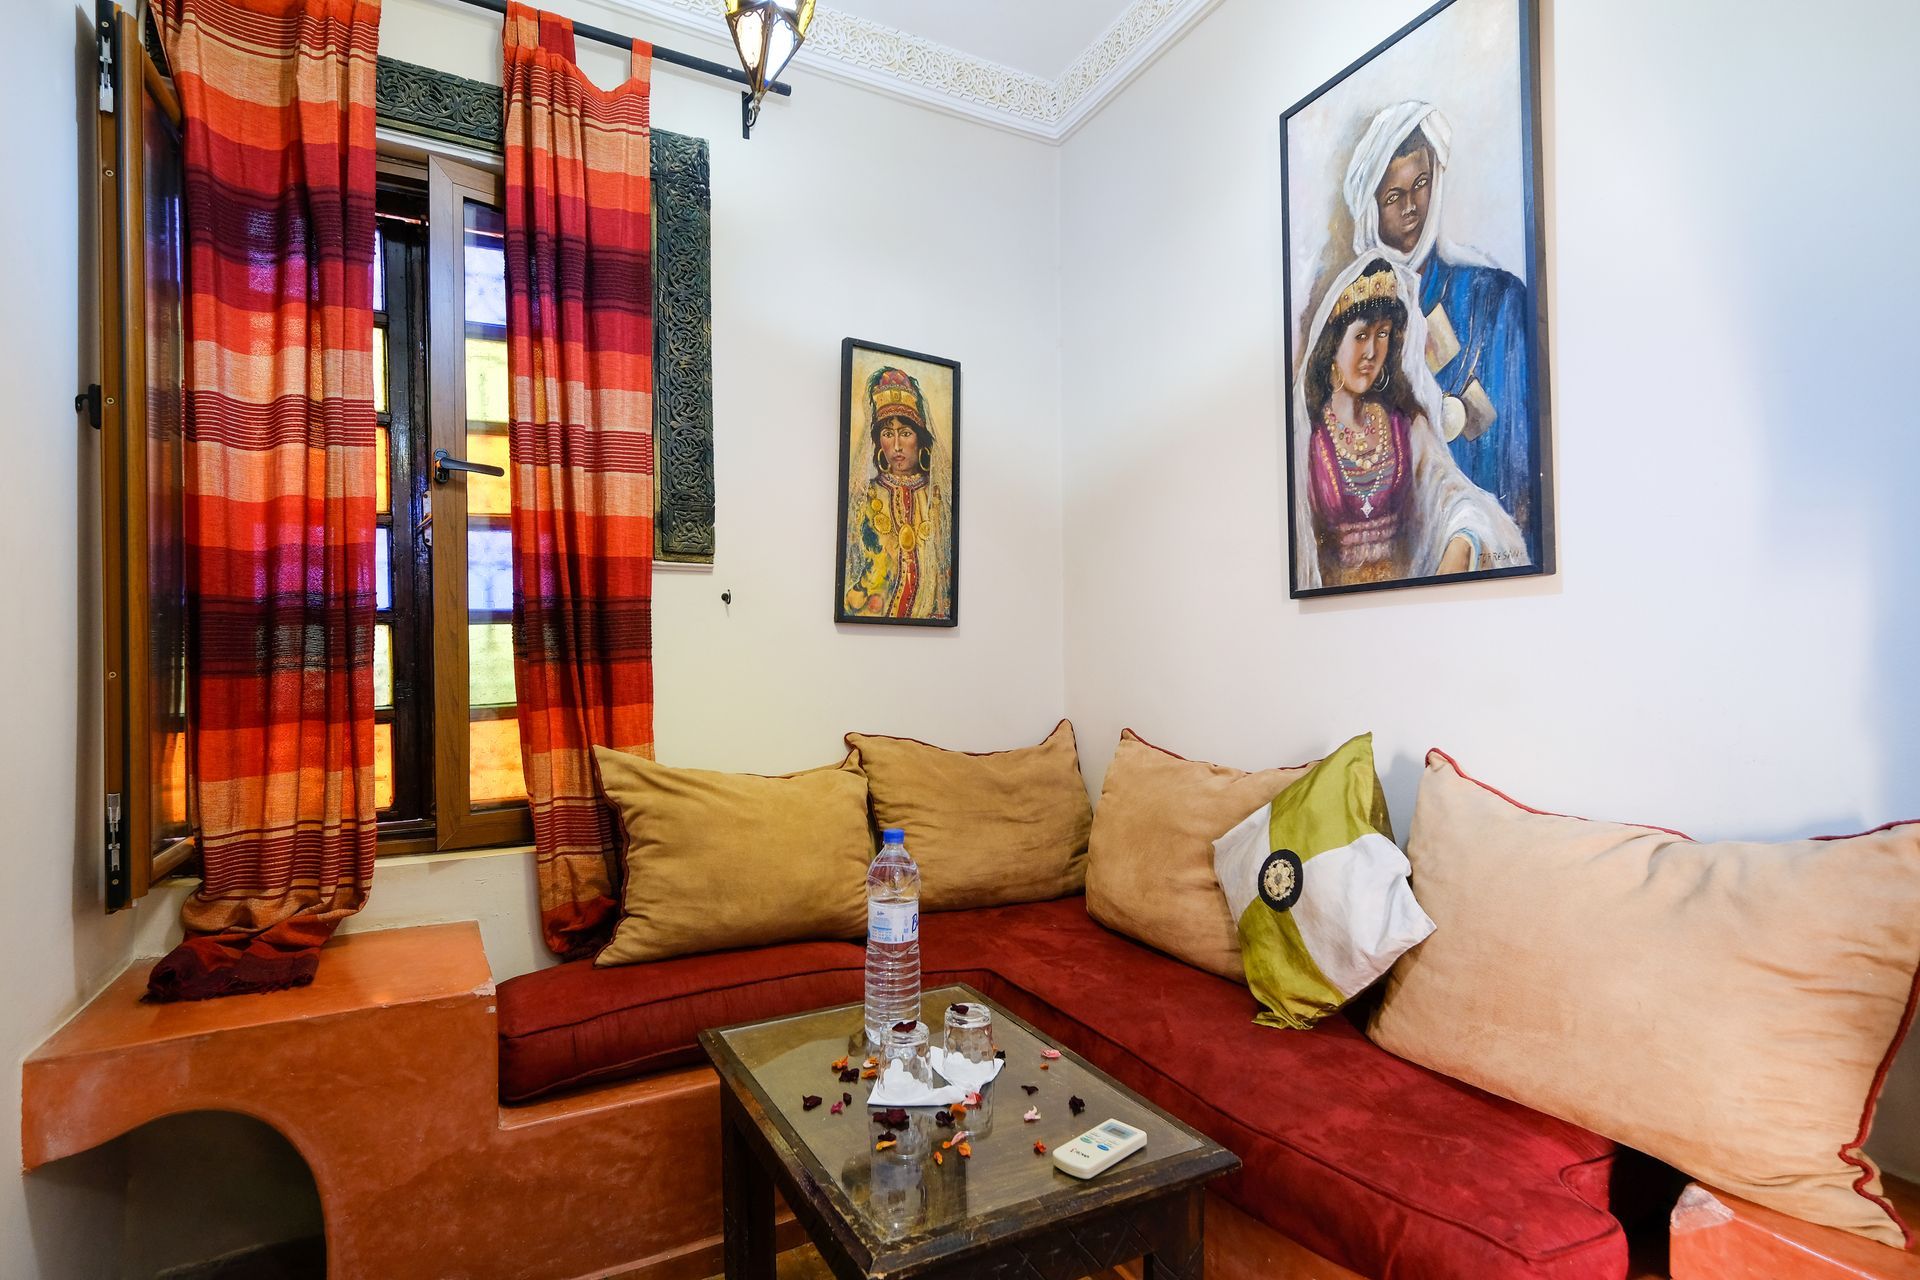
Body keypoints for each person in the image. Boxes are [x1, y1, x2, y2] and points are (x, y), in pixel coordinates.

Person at [1343, 101, 1535, 539]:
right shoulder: (1354, 325)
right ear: (1372, 208)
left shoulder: (1495, 299)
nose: (1412, 207)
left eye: (1422, 184)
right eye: (1394, 196)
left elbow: (1515, 459)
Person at [1292, 256, 1527, 591]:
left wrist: (1462, 541)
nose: (1372, 351)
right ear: (1333, 344)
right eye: (1361, 336)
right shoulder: (1307, 439)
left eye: (1383, 334)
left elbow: (1455, 497)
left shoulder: (1406, 427)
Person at [843, 367, 953, 619]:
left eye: (905, 433)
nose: (896, 446)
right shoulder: (865, 497)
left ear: (921, 439)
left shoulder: (938, 499)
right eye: (887, 434)